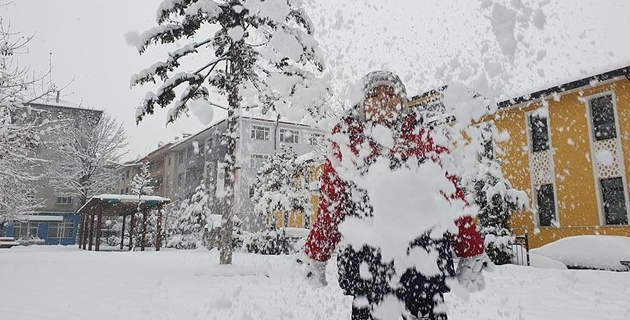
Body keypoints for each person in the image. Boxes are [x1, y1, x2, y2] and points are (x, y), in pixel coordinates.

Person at [298, 71, 492, 320]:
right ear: (361, 103)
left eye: (390, 93)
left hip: (424, 271)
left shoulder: (424, 138)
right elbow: (332, 206)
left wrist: (471, 249)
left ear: (402, 101)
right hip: (368, 273)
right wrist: (316, 254)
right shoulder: (346, 142)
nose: (382, 99)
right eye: (374, 94)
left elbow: (451, 196)